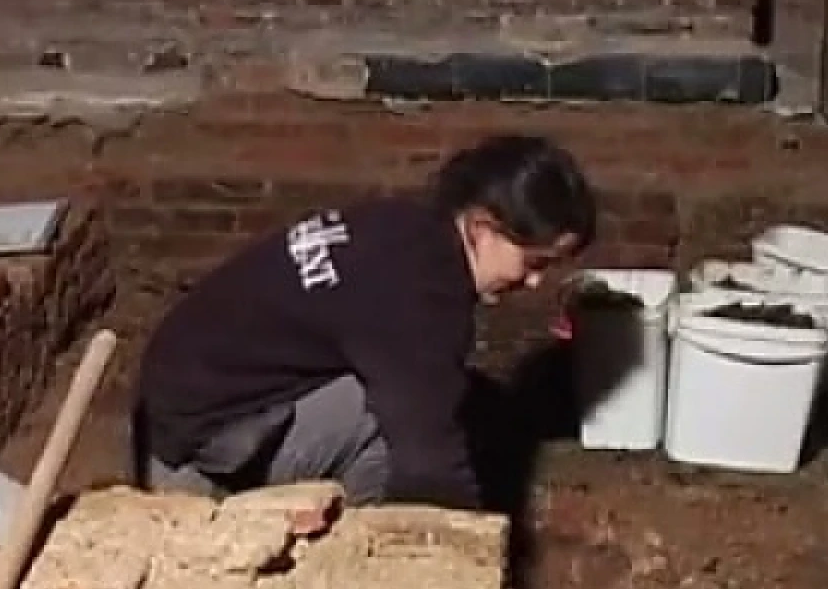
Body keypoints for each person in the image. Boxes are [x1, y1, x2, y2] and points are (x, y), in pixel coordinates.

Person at [131, 133, 598, 512]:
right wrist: (460, 551)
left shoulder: (400, 224)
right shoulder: (423, 300)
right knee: (396, 421)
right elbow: (428, 461)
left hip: (178, 395)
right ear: (480, 227)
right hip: (207, 442)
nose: (536, 282)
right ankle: (358, 558)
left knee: (437, 393)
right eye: (533, 261)